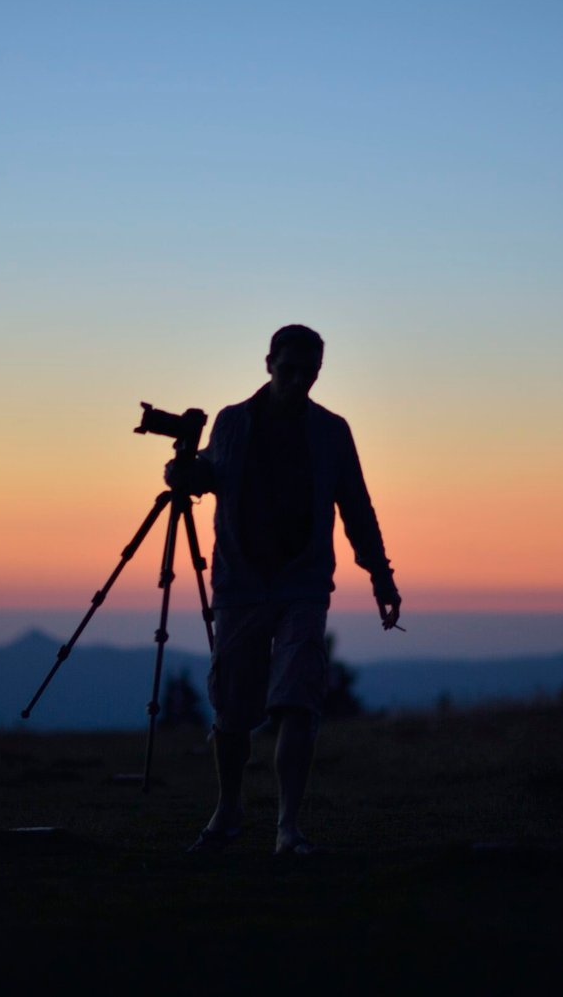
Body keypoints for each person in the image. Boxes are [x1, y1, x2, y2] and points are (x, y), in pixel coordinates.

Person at [166, 324, 401, 855]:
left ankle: (287, 827)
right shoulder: (231, 423)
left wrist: (381, 575)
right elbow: (210, 472)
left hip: (303, 583)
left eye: (308, 372)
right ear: (268, 362)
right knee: (232, 707)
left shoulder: (331, 432)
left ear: (318, 372)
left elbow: (357, 508)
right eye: (288, 368)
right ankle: (228, 811)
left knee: (298, 699)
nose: (297, 380)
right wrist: (184, 471)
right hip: (240, 583)